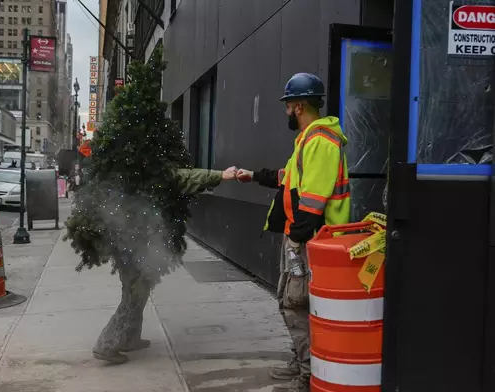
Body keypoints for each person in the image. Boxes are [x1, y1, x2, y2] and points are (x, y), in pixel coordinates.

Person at [235, 73, 351, 392]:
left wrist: (296, 240)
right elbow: (291, 177)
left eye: (288, 106)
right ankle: (302, 364)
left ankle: (308, 374)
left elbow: (313, 202)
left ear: (298, 106)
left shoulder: (320, 142)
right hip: (305, 238)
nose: (286, 112)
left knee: (296, 304)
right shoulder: (309, 140)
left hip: (313, 241)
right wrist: (254, 176)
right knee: (293, 302)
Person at [92, 166, 237, 364]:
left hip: (123, 238)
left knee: (134, 289)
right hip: (137, 239)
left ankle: (130, 338)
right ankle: (106, 345)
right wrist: (221, 175)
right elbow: (182, 177)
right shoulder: (150, 167)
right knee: (135, 293)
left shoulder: (123, 166)